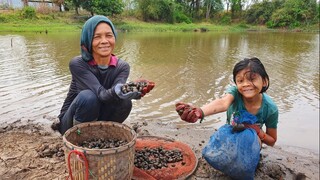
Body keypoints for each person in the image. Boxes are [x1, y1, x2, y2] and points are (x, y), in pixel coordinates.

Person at [55, 15, 154, 135]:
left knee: (125, 103)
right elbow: (101, 95)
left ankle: (103, 135)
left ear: (114, 38)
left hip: (99, 115)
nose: (104, 41)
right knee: (88, 97)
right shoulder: (78, 64)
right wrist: (119, 90)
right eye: (97, 37)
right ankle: (79, 138)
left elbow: (116, 93)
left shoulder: (122, 67)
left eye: (109, 35)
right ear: (87, 41)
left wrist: (129, 91)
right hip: (71, 121)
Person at [175, 57, 278, 146]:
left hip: (252, 141)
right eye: (240, 81)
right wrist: (200, 112)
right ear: (236, 83)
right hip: (230, 134)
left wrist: (257, 131)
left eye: (252, 79)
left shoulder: (270, 109)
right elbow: (222, 103)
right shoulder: (235, 93)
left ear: (264, 82)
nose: (246, 84)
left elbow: (272, 141)